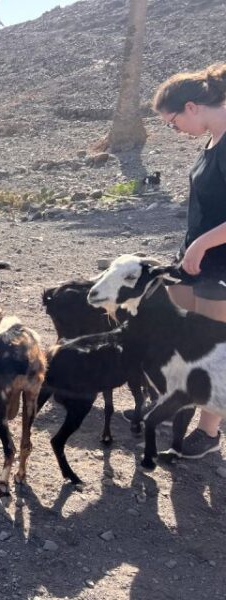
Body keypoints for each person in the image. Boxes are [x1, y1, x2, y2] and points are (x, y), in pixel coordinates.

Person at [151, 63, 226, 458]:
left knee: (216, 348)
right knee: (181, 335)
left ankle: (209, 432)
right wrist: (190, 250)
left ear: (192, 107)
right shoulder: (213, 141)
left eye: (173, 122)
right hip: (195, 260)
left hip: (220, 264)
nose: (175, 130)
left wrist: (201, 246)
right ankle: (176, 406)